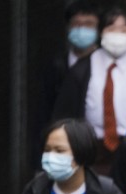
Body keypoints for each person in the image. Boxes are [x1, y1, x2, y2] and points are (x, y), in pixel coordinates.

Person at [52, 7, 126, 174]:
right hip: (92, 147)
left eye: (124, 30)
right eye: (111, 29)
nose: (117, 35)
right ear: (101, 33)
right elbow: (64, 112)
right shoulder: (82, 69)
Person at [35, 1, 100, 165]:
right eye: (76, 24)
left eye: (88, 24)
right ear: (68, 27)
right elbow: (44, 110)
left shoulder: (107, 67)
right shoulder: (56, 66)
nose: (82, 29)